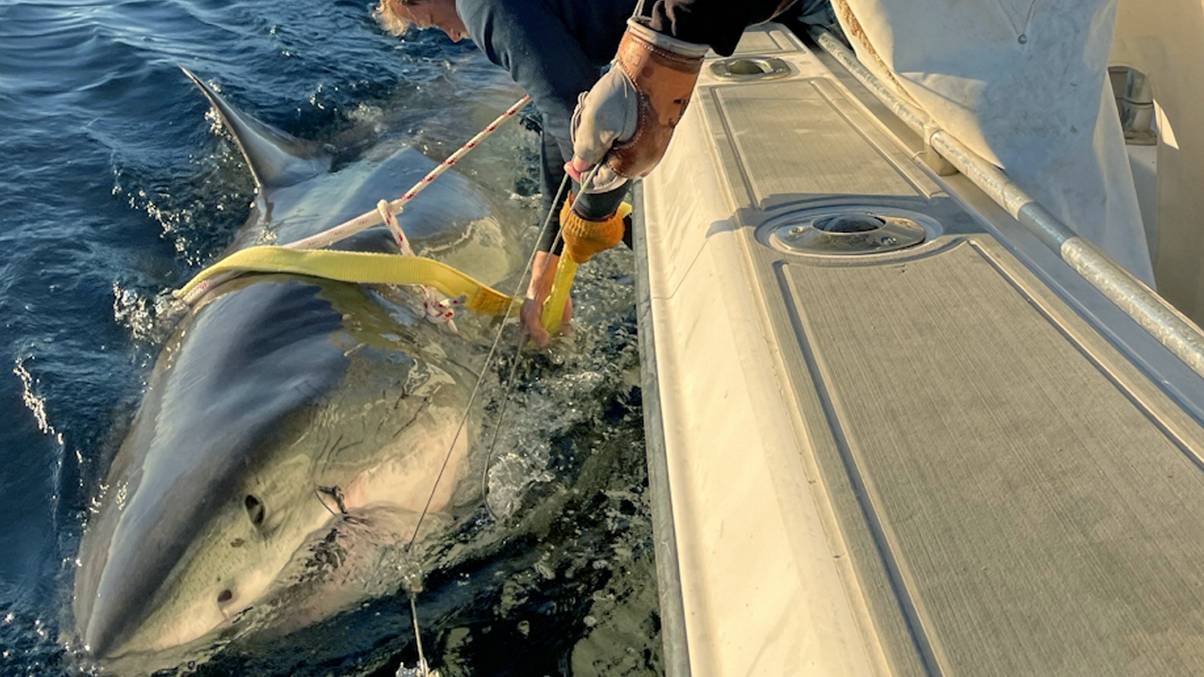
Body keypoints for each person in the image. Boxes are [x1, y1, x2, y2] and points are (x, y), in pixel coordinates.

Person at [375, 0, 639, 346]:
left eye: (436, 23)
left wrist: (594, 216)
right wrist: (544, 272)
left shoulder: (482, 8)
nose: (454, 36)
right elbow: (563, 116)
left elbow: (582, 125)